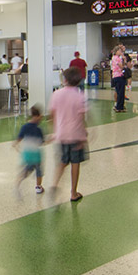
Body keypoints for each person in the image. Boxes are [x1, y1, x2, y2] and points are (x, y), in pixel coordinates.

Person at [50, 66, 88, 202]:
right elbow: (81, 117)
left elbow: (52, 115)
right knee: (75, 163)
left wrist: (55, 131)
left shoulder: (56, 94)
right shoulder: (79, 96)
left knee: (62, 161)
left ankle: (54, 184)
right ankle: (73, 192)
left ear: (64, 80)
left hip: (61, 134)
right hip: (76, 135)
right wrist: (84, 134)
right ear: (78, 81)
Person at [14, 105, 45, 195]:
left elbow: (19, 138)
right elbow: (41, 142)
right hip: (36, 155)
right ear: (37, 116)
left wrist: (16, 145)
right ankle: (38, 187)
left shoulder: (25, 127)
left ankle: (18, 183)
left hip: (27, 155)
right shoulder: (38, 129)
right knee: (39, 171)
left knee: (27, 170)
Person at [110, 44, 128, 112]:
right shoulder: (117, 58)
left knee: (119, 91)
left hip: (115, 76)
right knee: (121, 92)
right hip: (119, 76)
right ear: (116, 51)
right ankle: (119, 107)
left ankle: (119, 106)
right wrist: (123, 60)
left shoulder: (113, 58)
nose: (121, 52)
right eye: (120, 51)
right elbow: (122, 67)